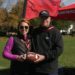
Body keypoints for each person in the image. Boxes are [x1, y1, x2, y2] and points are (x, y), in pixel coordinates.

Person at [27, 10, 63, 75]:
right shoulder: (34, 31)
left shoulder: (56, 32)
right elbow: (29, 45)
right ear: (39, 19)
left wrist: (44, 56)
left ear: (50, 18)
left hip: (49, 70)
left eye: (46, 18)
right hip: (35, 68)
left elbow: (59, 49)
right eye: (42, 18)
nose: (44, 20)